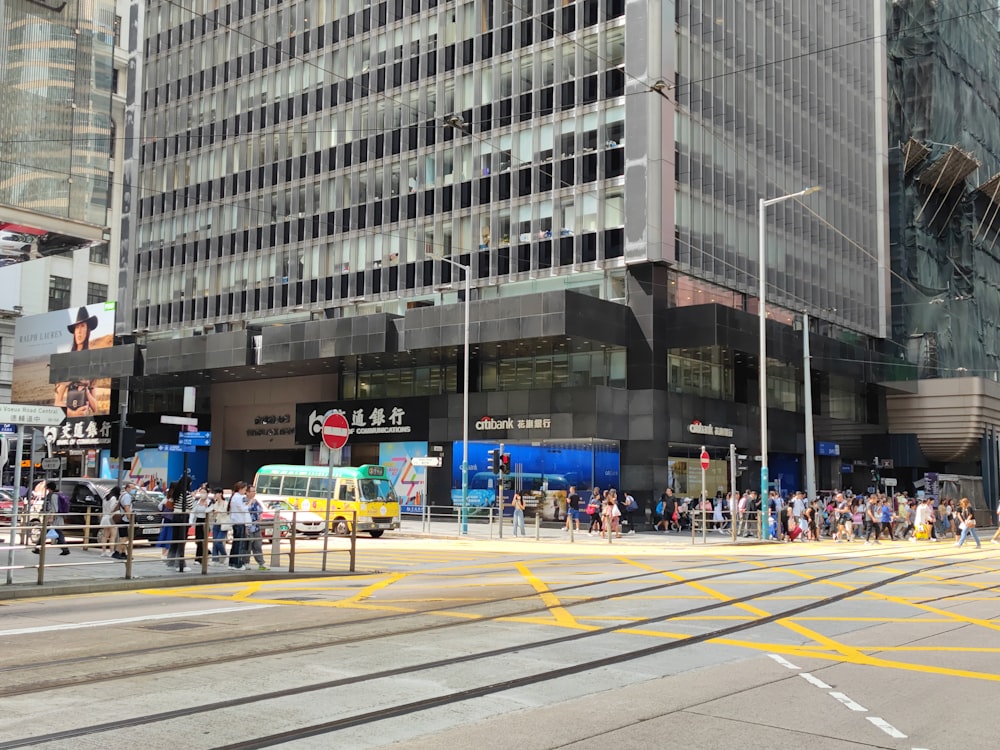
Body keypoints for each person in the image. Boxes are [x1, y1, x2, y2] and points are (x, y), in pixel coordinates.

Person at [53, 307, 101, 417]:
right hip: (69, 423)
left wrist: (87, 391)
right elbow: (57, 402)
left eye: (83, 326)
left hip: (86, 423)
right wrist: (72, 412)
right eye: (77, 327)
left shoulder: (92, 363)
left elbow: (95, 408)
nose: (79, 331)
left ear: (88, 330)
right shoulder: (67, 362)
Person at [33, 481, 70, 556]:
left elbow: (54, 509)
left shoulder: (53, 496)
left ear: (49, 488)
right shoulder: (57, 495)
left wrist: (51, 518)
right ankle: (38, 548)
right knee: (55, 534)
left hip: (54, 519)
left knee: (54, 534)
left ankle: (38, 548)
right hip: (57, 518)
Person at [245, 486, 269, 570]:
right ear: (247, 492)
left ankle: (261, 563)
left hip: (256, 527)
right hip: (248, 527)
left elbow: (260, 511)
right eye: (252, 491)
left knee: (258, 545)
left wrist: (260, 517)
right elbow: (245, 510)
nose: (254, 493)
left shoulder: (256, 502)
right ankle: (246, 562)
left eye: (255, 491)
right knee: (248, 546)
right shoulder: (244, 500)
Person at [228, 481, 250, 570]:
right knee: (239, 544)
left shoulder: (234, 497)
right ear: (241, 489)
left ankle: (232, 562)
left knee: (235, 543)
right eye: (245, 489)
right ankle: (237, 563)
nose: (245, 491)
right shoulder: (240, 497)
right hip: (240, 522)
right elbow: (243, 508)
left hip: (235, 521)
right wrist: (249, 503)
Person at [112, 481, 135, 559]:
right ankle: (118, 552)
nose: (133, 490)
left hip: (122, 517)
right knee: (123, 537)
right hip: (124, 518)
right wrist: (130, 518)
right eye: (132, 488)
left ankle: (123, 552)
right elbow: (127, 507)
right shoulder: (127, 496)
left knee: (124, 536)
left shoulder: (123, 495)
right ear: (127, 488)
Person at [192, 483, 212, 565]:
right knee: (198, 540)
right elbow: (193, 511)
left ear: (207, 494)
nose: (202, 494)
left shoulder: (210, 502)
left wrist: (207, 506)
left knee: (203, 540)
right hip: (198, 521)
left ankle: (199, 558)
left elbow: (210, 512)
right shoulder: (197, 501)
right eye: (201, 492)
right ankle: (203, 554)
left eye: (204, 492)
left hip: (206, 521)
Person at [210, 487, 229, 564]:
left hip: (223, 524)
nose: (215, 495)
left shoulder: (225, 503)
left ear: (220, 493)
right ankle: (215, 559)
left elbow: (226, 512)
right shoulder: (215, 503)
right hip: (216, 523)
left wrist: (218, 511)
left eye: (216, 493)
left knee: (218, 541)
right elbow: (211, 511)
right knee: (215, 542)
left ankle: (225, 555)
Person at [99, 485, 119, 557]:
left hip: (105, 517)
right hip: (111, 518)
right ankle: (111, 551)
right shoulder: (113, 498)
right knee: (113, 536)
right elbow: (112, 509)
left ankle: (103, 551)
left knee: (105, 535)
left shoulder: (105, 497)